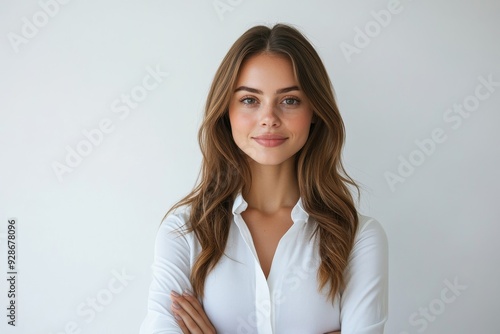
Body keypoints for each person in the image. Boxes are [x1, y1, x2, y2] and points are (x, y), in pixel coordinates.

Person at [140, 23, 388, 334]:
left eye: (290, 100)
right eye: (249, 100)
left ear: (315, 112)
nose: (269, 118)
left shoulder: (358, 238)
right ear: (225, 111)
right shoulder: (184, 232)